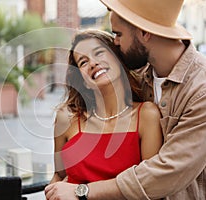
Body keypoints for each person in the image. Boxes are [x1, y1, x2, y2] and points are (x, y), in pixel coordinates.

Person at [45, 0, 206, 199]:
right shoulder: (143, 73)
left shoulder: (201, 90)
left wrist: (82, 192)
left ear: (144, 33)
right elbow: (60, 177)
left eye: (118, 34)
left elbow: (167, 172)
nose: (116, 43)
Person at [46, 30, 162, 199]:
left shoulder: (147, 115)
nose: (92, 63)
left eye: (99, 52)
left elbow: (150, 188)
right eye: (83, 62)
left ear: (117, 57)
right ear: (82, 79)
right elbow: (59, 177)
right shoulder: (67, 118)